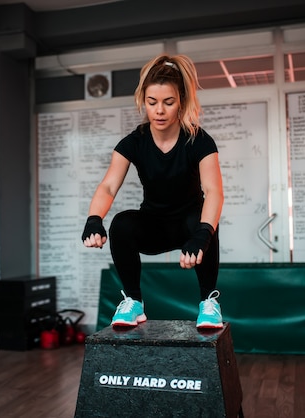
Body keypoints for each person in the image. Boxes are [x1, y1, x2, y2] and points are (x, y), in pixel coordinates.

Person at [81, 54, 224, 329]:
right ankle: (134, 302)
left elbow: (214, 191)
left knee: (205, 222)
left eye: (168, 102)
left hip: (190, 227)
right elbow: (109, 185)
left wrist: (203, 235)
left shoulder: (199, 141)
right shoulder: (134, 142)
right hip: (154, 226)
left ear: (181, 101)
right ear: (143, 101)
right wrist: (93, 219)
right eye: (152, 102)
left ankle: (209, 302)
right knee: (121, 223)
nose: (159, 110)